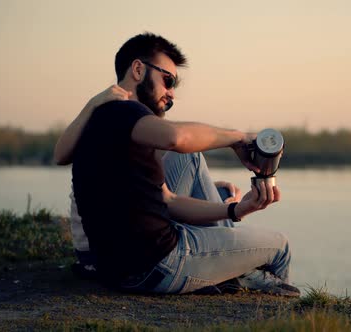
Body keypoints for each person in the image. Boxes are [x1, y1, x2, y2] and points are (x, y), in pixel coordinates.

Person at [54, 32, 298, 296]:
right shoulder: (126, 113)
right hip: (158, 264)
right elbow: (176, 138)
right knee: (280, 246)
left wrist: (235, 210)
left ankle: (229, 270)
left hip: (120, 269)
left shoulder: (101, 117)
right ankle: (269, 307)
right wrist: (238, 138)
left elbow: (167, 201)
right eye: (167, 80)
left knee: (196, 165)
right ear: (138, 69)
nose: (171, 94)